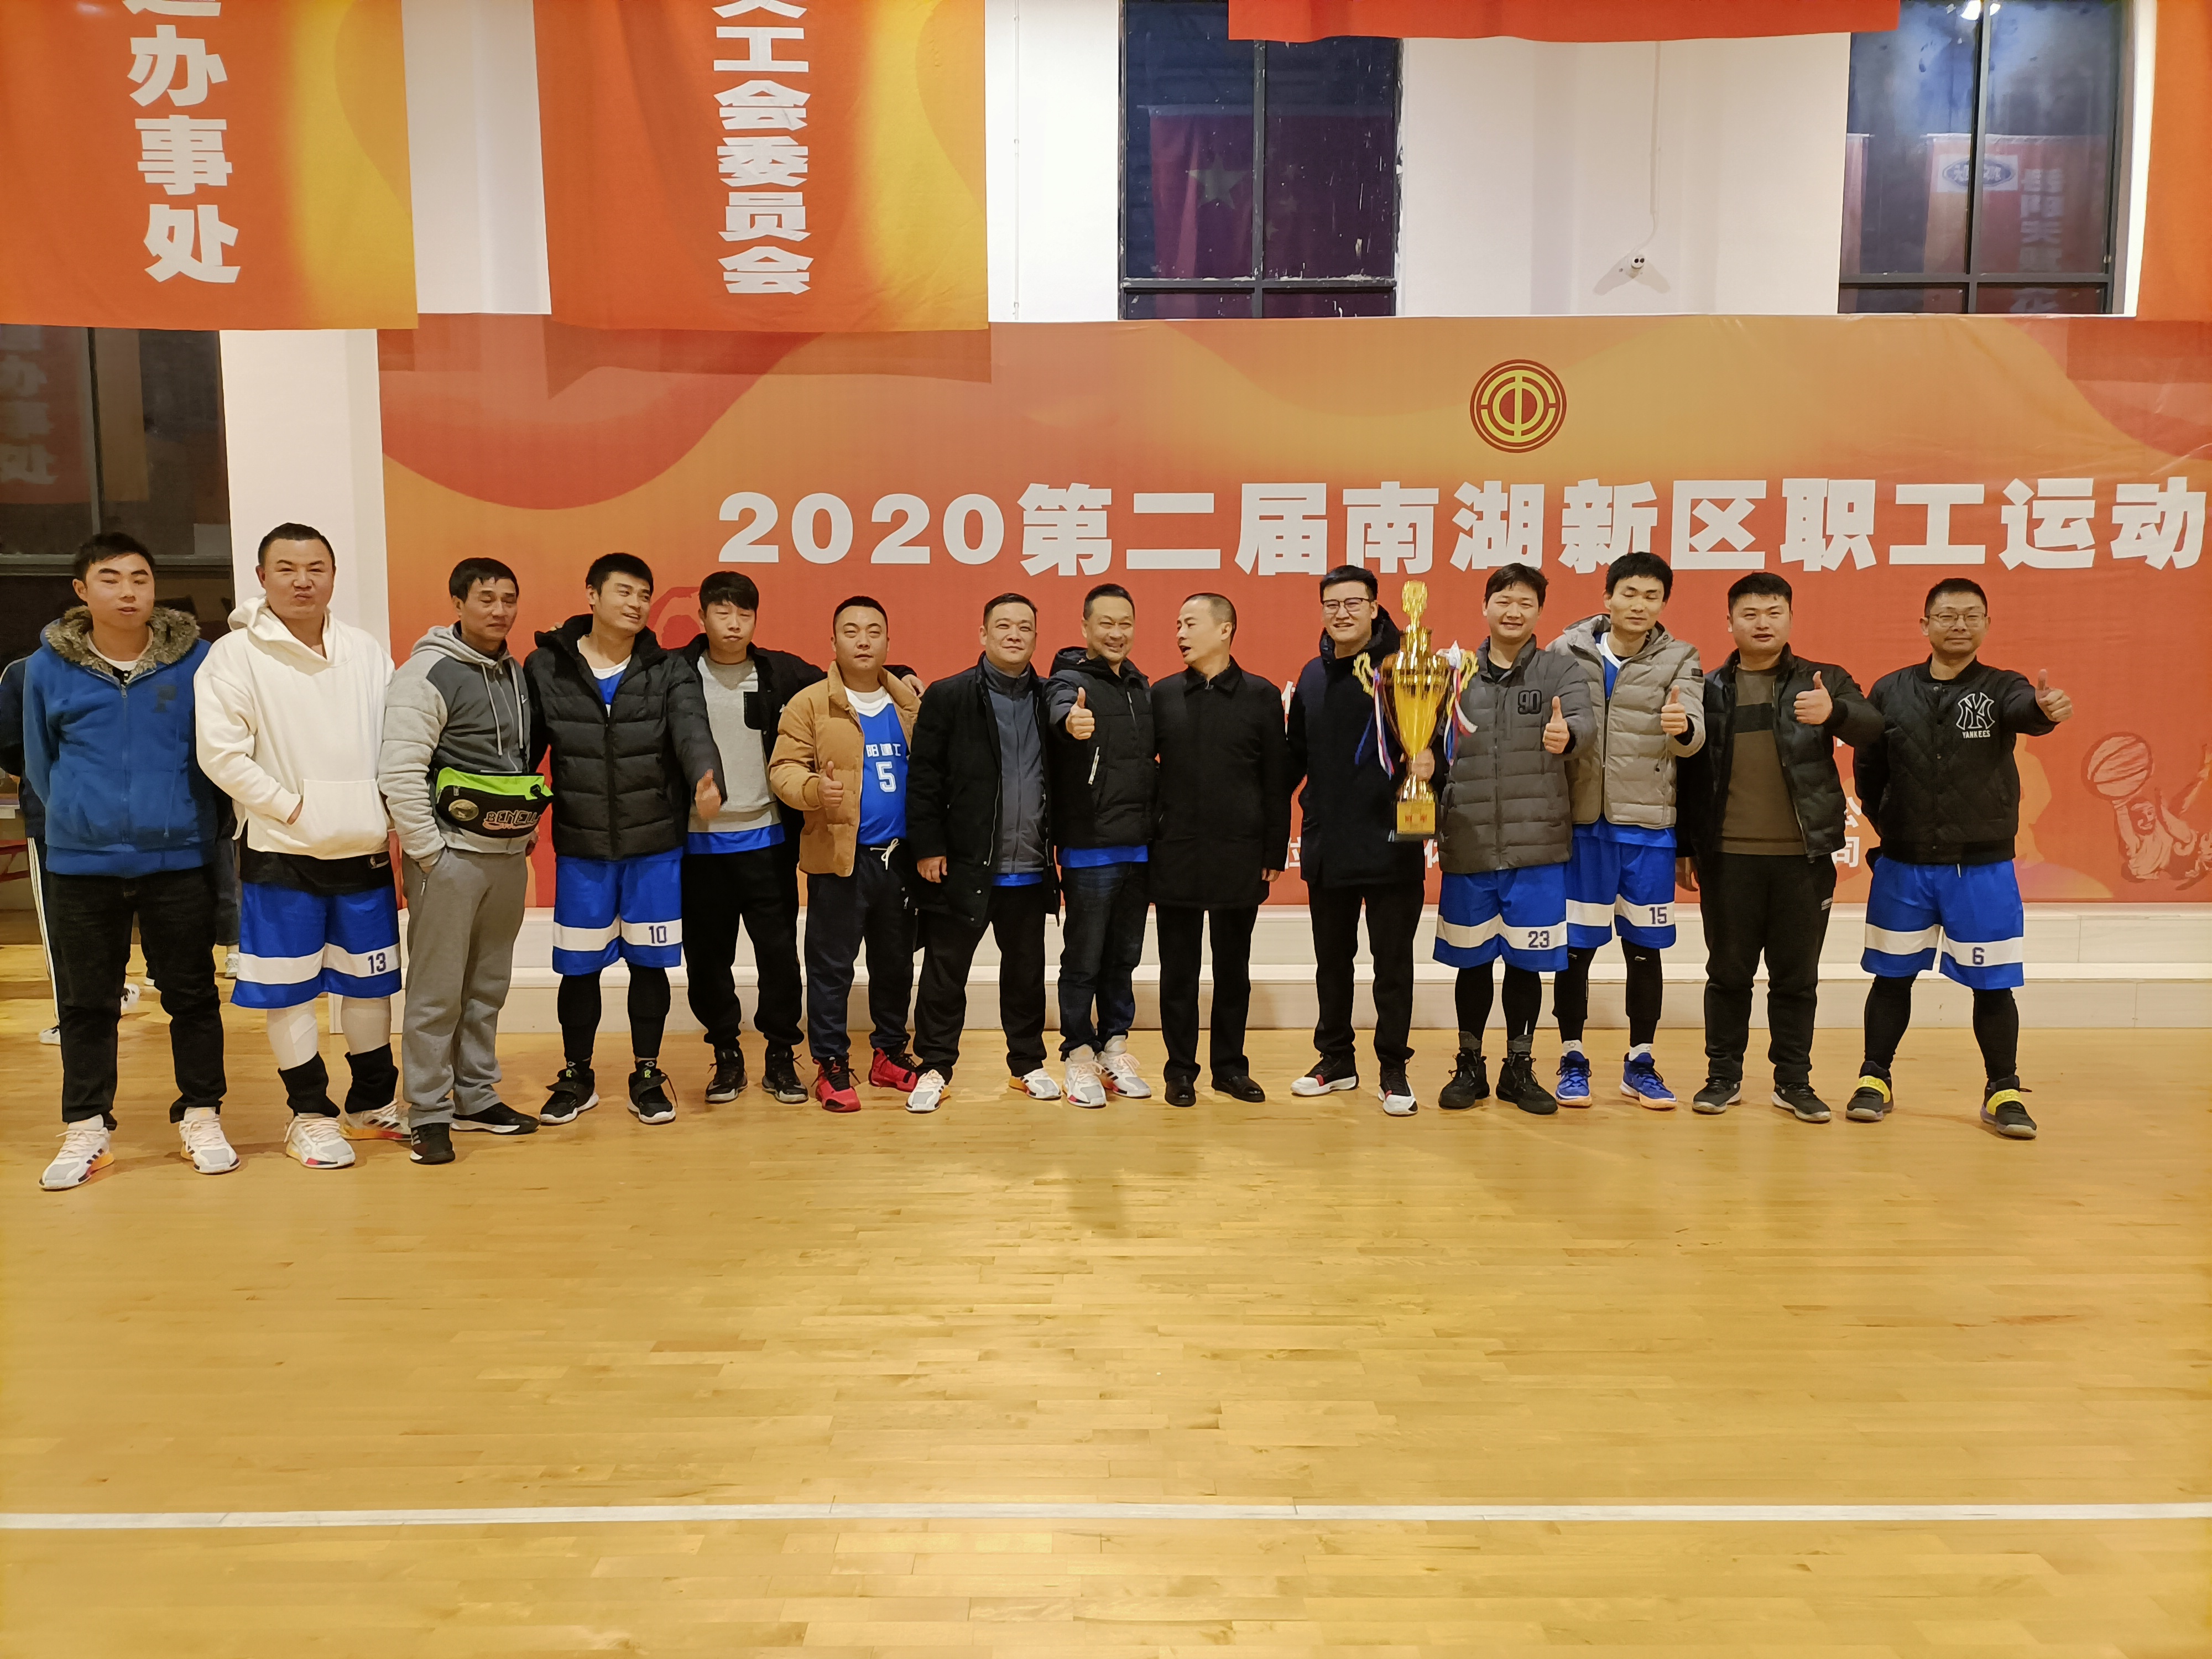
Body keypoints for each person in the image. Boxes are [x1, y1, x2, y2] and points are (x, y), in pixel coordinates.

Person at [25, 533, 229, 1190]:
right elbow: (39, 763)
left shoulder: (198, 661)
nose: (128, 592)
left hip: (178, 859)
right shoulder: (45, 668)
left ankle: (201, 1113)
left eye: (140, 578)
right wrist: (79, 821)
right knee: (87, 1003)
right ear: (82, 591)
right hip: (81, 865)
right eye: (110, 579)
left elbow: (216, 755)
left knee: (192, 995)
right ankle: (87, 1125)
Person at [196, 523, 401, 1170]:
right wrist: (293, 808)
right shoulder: (233, 656)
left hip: (363, 847)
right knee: (287, 990)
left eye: (316, 568)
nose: (302, 581)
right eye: (286, 568)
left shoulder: (364, 650)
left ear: (334, 576)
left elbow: (396, 739)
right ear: (262, 578)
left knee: (368, 983)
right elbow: (221, 755)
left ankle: (372, 1103)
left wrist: (384, 810)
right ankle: (309, 1115)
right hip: (280, 851)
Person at [1848, 578, 2072, 1140]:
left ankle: (2003, 1090)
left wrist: (2044, 709)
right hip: (1903, 866)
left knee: (1993, 985)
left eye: (1972, 615)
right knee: (1891, 978)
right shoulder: (1890, 689)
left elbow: (2027, 710)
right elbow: (1869, 769)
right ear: (1924, 625)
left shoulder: (2003, 687)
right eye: (1947, 615)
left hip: (1981, 868)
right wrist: (1891, 825)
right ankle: (1875, 1079)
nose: (1959, 625)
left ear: (1987, 625)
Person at [1677, 571, 1882, 1122]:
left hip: (1803, 860)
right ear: (1729, 622)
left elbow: (1873, 729)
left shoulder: (1822, 680)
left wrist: (1835, 713)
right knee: (1728, 975)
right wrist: (1685, 846)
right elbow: (1689, 774)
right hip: (1727, 858)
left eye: (1773, 612)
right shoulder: (1708, 688)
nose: (1762, 623)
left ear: (1790, 618)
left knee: (1796, 979)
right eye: (1749, 614)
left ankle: (1793, 1081)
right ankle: (1722, 1077)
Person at [526, 553, 721, 1127]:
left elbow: (692, 730)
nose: (636, 604)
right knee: (578, 969)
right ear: (591, 594)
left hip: (654, 847)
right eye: (624, 592)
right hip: (582, 848)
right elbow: (524, 748)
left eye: (644, 595)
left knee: (649, 965)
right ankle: (576, 1074)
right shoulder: (547, 666)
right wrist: (513, 810)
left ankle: (647, 1074)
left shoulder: (668, 668)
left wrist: (706, 776)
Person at [378, 556, 545, 1167]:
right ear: (457, 603)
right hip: (448, 858)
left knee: (487, 986)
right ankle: (427, 1111)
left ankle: (475, 1095)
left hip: (507, 856)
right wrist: (429, 852)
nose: (499, 611)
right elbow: (399, 770)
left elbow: (514, 762)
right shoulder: (426, 673)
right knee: (436, 990)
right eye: (486, 599)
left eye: (509, 599)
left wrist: (524, 834)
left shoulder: (515, 672)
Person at [1426, 562, 1594, 1117]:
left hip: (1536, 846)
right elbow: (1428, 741)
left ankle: (1518, 1068)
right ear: (1485, 607)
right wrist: (1423, 760)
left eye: (1525, 602)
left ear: (1539, 612)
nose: (1513, 611)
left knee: (1527, 964)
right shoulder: (1454, 674)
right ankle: (1468, 1064)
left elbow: (1583, 724)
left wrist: (1567, 733)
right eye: (1503, 600)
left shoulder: (1559, 669)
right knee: (1472, 963)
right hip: (1470, 840)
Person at [1546, 551, 1704, 1109]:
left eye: (1652, 596)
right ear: (1608, 598)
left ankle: (1641, 1061)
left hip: (1648, 831)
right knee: (1575, 950)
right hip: (1580, 827)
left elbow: (1694, 736)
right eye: (1629, 593)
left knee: (1644, 949)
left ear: (1663, 604)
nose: (1639, 605)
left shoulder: (1681, 657)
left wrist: (1683, 728)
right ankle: (1571, 1056)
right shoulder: (1563, 652)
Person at [905, 593, 1063, 1114]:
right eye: (1003, 626)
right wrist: (929, 846)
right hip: (964, 865)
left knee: (1025, 974)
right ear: (983, 634)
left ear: (1035, 637)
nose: (1014, 635)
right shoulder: (950, 696)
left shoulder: (1049, 698)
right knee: (944, 973)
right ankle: (934, 1066)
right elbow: (924, 778)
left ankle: (1027, 1064)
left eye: (1025, 627)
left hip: (1030, 866)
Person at [767, 595, 923, 1112]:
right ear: (832, 641)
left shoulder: (910, 706)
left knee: (895, 965)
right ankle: (831, 1063)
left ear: (888, 642)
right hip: (840, 858)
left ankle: (889, 1054)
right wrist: (815, 790)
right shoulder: (810, 704)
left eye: (874, 631)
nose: (863, 641)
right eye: (851, 631)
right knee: (832, 969)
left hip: (900, 861)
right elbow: (783, 770)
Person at [1286, 565, 1426, 1117]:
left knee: (1392, 965)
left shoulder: (1406, 667)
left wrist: (1430, 768)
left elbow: (1438, 746)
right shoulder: (1312, 676)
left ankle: (1393, 1067)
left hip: (1392, 839)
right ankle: (1335, 1059)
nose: (1341, 614)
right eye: (1331, 605)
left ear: (1374, 607)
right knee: (1332, 961)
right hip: (1329, 843)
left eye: (1352, 603)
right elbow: (1295, 759)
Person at [680, 571, 819, 1109]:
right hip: (700, 846)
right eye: (722, 612)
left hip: (766, 841)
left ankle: (781, 1055)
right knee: (708, 960)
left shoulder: (780, 672)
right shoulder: (675, 673)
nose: (734, 623)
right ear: (702, 617)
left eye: (744, 614)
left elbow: (840, 682)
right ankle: (726, 1054)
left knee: (779, 958)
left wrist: (900, 677)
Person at [1150, 593, 1290, 1108]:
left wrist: (1273, 850)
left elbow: (1276, 780)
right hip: (1176, 852)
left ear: (1226, 629)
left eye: (1190, 624)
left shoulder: (1261, 695)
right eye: (1177, 625)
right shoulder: (1162, 695)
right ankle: (1180, 1071)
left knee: (1234, 970)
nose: (1180, 634)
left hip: (1239, 853)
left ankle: (1230, 1068)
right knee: (1178, 972)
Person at [1044, 583, 1156, 1106]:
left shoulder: (1140, 685)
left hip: (1138, 847)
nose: (1116, 633)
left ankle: (1114, 1046)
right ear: (1086, 627)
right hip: (1090, 846)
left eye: (1125, 623)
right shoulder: (1068, 681)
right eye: (1105, 623)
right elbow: (1061, 710)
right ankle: (1077, 1055)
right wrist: (1071, 721)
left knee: (1123, 958)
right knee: (1084, 959)